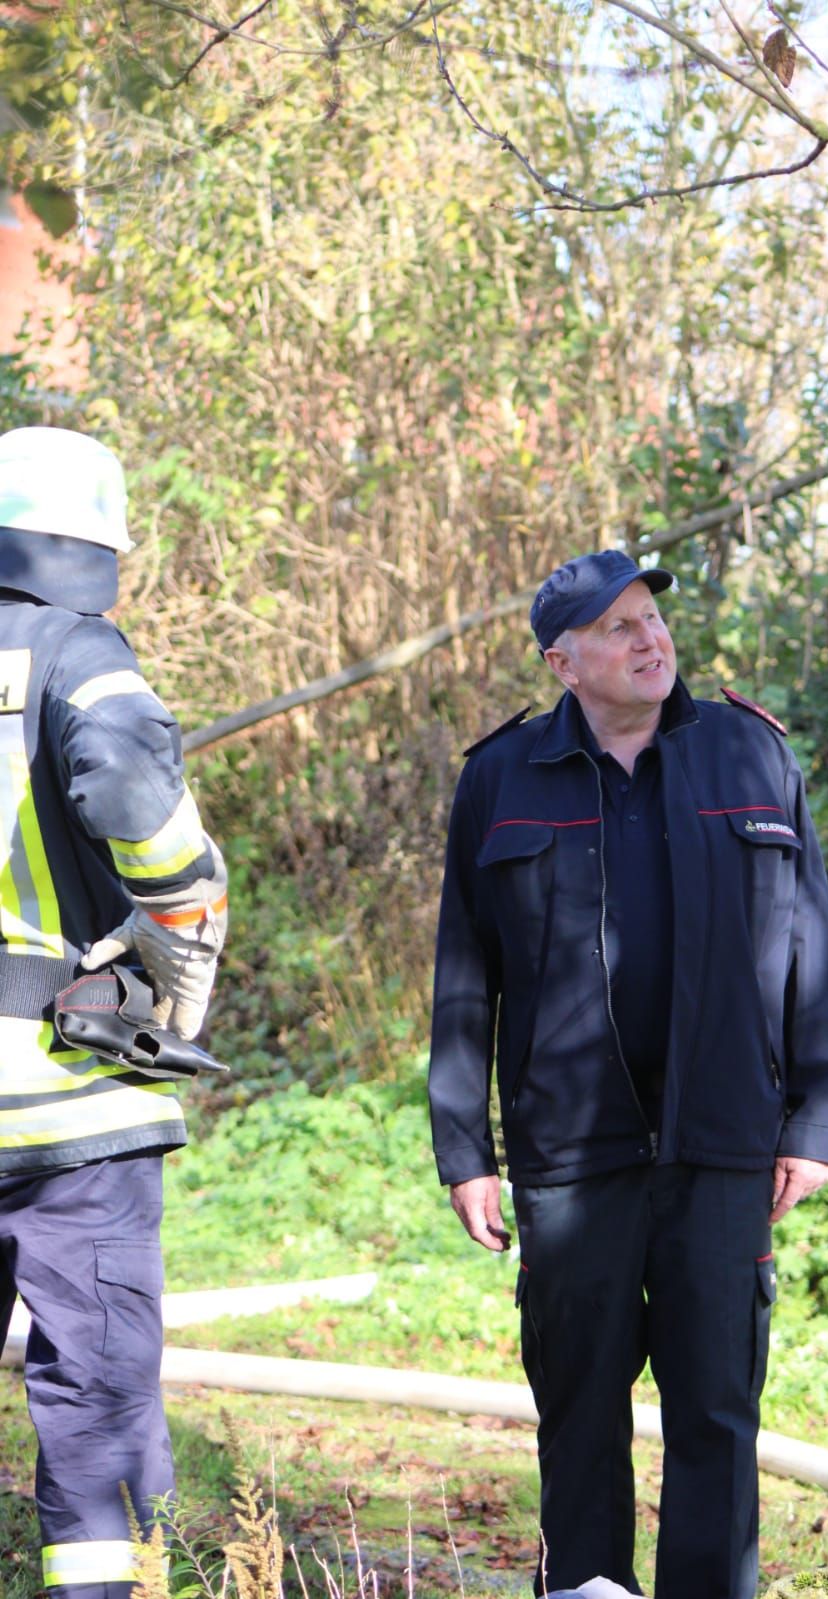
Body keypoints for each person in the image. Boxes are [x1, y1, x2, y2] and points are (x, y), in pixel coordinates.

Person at [428, 550, 828, 1599]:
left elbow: (810, 944)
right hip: (572, 1151)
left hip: (723, 1138)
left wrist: (815, 1120)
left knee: (716, 1412)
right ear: (562, 662)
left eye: (650, 617)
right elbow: (464, 972)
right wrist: (464, 1149)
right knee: (578, 1412)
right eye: (616, 627)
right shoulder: (500, 779)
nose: (649, 639)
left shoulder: (751, 755)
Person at [0, 426, 228, 1598]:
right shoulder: (78, 652)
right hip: (65, 1108)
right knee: (95, 1406)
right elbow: (140, 805)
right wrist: (182, 921)